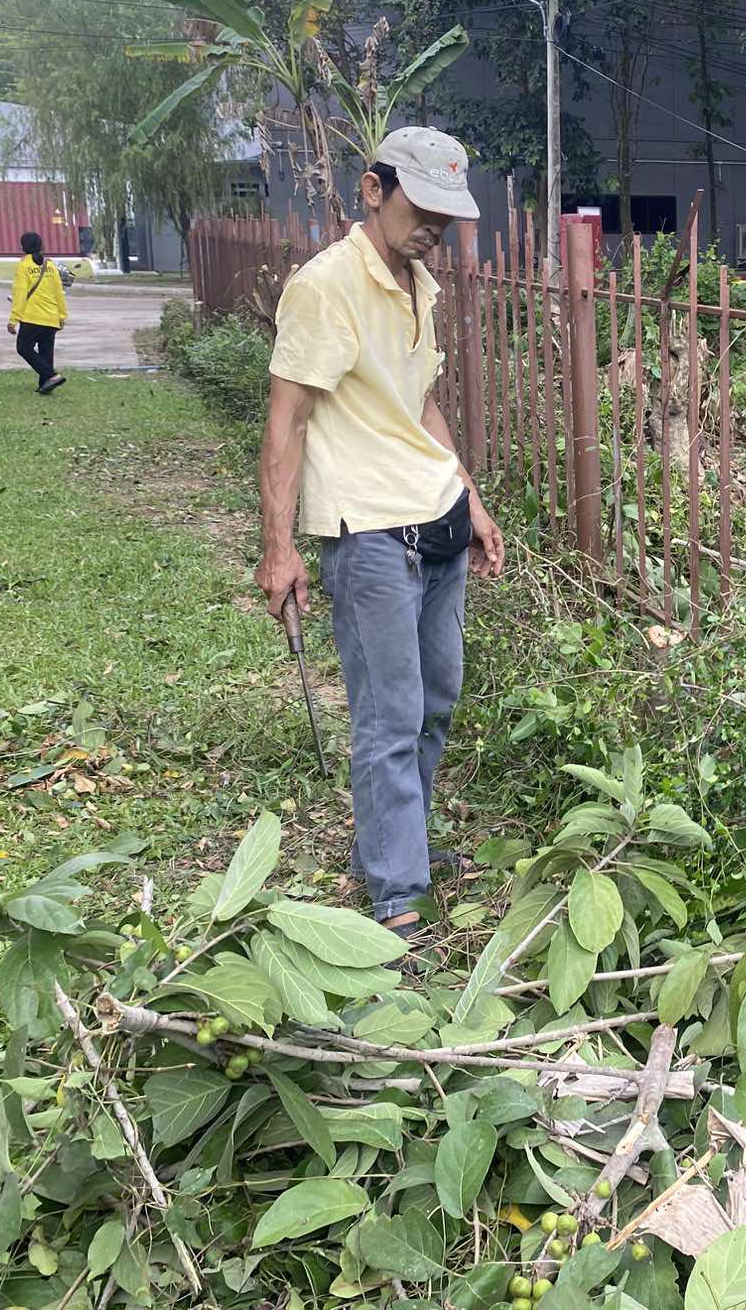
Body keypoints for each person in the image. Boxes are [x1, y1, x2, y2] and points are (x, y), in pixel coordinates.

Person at [256, 126, 505, 952]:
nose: (433, 225)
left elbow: (420, 405)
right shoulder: (326, 287)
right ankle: (396, 893)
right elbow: (286, 421)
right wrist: (279, 548)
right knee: (388, 718)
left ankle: (402, 849)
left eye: (447, 212)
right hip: (368, 536)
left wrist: (468, 498)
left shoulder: (419, 283)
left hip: (433, 517)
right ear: (373, 189)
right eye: (420, 205)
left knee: (435, 701)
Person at [8, 233, 69, 394]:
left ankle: (51, 375)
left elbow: (20, 294)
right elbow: (59, 292)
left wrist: (13, 319)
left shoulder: (23, 266)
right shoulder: (50, 266)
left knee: (23, 348)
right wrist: (62, 316)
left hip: (32, 317)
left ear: (23, 247)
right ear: (41, 245)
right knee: (46, 352)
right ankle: (45, 384)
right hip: (51, 317)